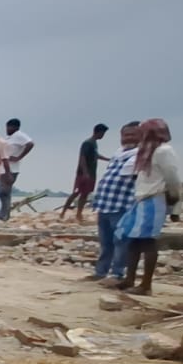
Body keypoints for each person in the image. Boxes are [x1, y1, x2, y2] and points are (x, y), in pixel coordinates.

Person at [117, 119, 180, 296]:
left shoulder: (164, 151)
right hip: (142, 200)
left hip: (154, 199)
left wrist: (176, 205)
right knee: (133, 240)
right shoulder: (148, 150)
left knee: (147, 241)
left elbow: (173, 180)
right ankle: (130, 278)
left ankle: (146, 285)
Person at [81, 121, 141, 284]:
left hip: (123, 205)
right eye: (125, 134)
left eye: (132, 134)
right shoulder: (118, 153)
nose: (128, 137)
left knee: (121, 242)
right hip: (106, 204)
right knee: (106, 242)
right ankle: (100, 272)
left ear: (141, 136)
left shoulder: (141, 154)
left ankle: (117, 274)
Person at [59, 123, 110, 222]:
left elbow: (96, 155)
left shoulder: (94, 144)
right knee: (76, 193)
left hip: (91, 173)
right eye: (102, 133)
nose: (103, 136)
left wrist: (108, 159)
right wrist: (85, 172)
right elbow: (82, 157)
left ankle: (79, 214)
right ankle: (63, 212)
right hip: (83, 173)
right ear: (98, 132)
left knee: (85, 194)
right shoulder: (87, 143)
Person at [0, 118, 34, 222]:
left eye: (8, 127)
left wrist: (19, 157)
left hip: (11, 169)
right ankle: (3, 214)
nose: (7, 129)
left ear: (15, 127)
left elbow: (30, 143)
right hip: (4, 168)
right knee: (2, 192)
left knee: (4, 192)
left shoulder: (19, 135)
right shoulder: (10, 138)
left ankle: (4, 216)